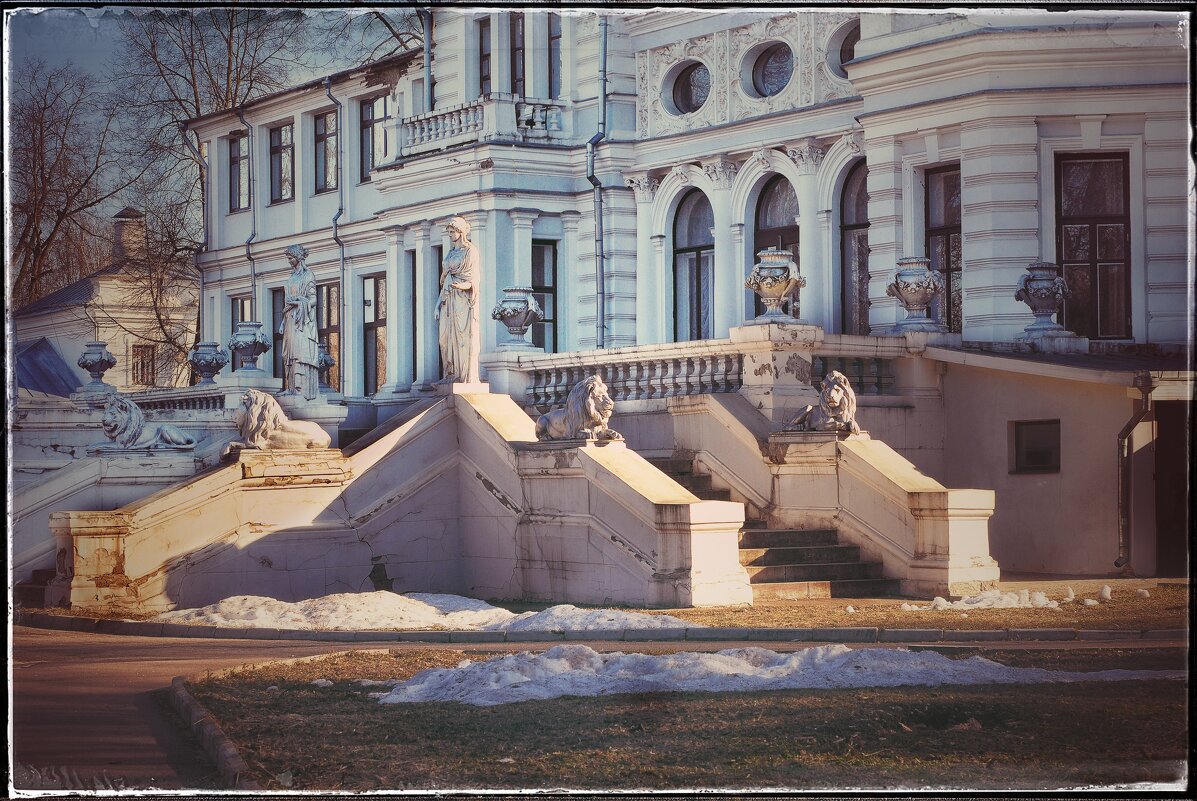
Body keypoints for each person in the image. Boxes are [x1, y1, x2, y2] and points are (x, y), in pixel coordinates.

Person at [436, 216, 482, 383]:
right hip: (447, 300)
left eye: (452, 231)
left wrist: (458, 286)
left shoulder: (471, 252)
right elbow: (445, 282)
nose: (450, 234)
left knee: (463, 339)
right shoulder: (450, 253)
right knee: (444, 340)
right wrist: (437, 306)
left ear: (461, 232)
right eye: (448, 231)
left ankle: (463, 376)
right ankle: (450, 374)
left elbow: (473, 281)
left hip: (463, 301)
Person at [280, 243, 320, 400]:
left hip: (303, 320)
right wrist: (283, 322)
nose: (289, 261)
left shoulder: (308, 275)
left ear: (298, 257)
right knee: (287, 354)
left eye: (290, 258)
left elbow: (313, 299)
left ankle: (301, 388)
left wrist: (299, 303)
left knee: (299, 353)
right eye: (288, 258)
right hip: (290, 318)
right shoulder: (291, 278)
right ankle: (290, 387)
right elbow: (286, 303)